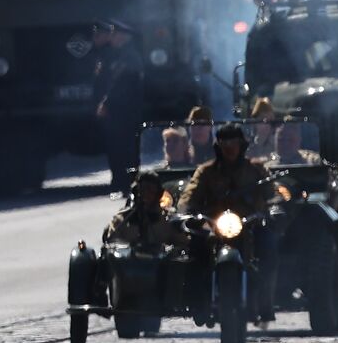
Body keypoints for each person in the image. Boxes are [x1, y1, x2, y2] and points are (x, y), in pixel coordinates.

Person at [179, 123, 276, 323]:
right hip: (215, 226)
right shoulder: (206, 171)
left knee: (269, 244)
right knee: (194, 249)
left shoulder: (256, 169)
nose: (230, 148)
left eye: (234, 142)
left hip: (249, 224)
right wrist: (188, 213)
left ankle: (266, 301)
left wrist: (273, 208)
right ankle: (199, 302)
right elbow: (188, 197)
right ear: (218, 146)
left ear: (242, 145)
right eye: (225, 143)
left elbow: (273, 194)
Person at [92, 20, 144, 191]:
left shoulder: (129, 57)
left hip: (125, 111)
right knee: (116, 148)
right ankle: (120, 181)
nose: (111, 37)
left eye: (114, 34)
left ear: (123, 36)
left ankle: (129, 182)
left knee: (127, 149)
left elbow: (120, 85)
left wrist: (106, 102)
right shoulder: (113, 55)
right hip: (116, 112)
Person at [104, 171, 188, 249]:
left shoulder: (168, 219)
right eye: (142, 190)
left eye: (150, 191)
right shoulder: (122, 220)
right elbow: (111, 245)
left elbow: (182, 244)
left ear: (159, 194)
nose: (146, 195)